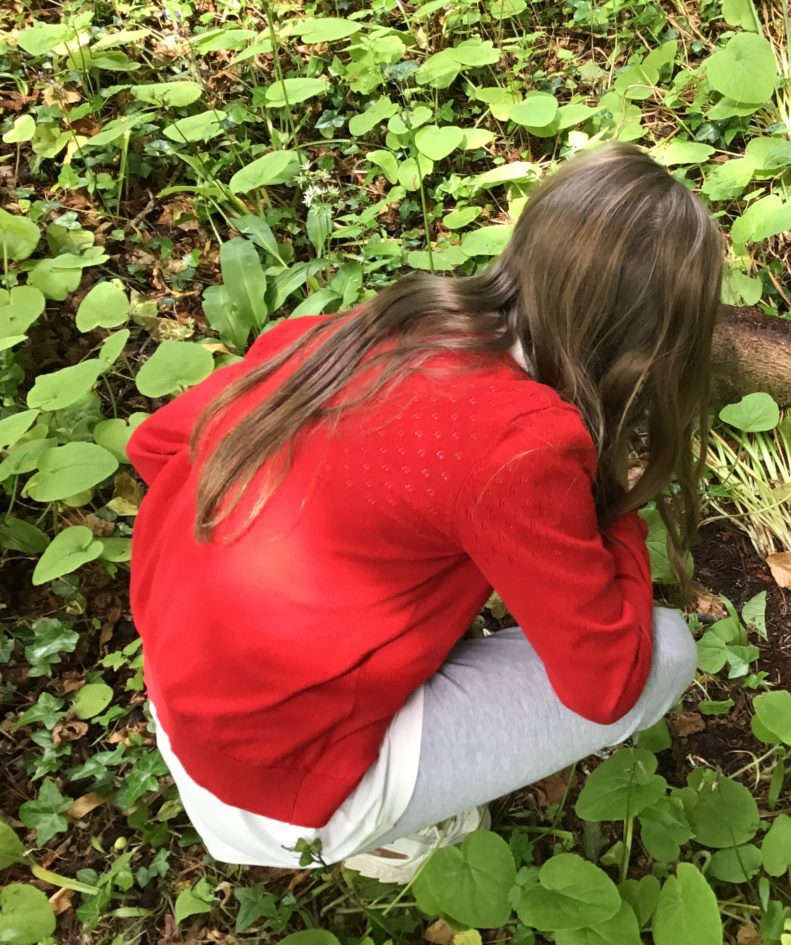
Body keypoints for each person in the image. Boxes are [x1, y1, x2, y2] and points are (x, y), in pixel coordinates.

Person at [126, 142, 725, 883]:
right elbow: (606, 684)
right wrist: (617, 507)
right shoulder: (521, 445)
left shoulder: (355, 331)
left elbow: (154, 447)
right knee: (665, 652)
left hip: (190, 702)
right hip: (286, 787)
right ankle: (383, 832)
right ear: (647, 345)